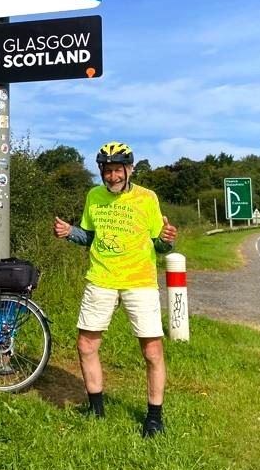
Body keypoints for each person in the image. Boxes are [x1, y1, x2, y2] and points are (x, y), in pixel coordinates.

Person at [53, 141, 178, 437]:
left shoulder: (148, 199)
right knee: (86, 345)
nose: (113, 177)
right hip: (101, 279)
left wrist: (168, 240)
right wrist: (70, 232)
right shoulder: (93, 196)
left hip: (139, 281)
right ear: (101, 172)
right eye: (107, 171)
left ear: (129, 169)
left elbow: (159, 244)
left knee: (152, 351)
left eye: (117, 170)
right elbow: (90, 236)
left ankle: (154, 416)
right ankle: (96, 410)